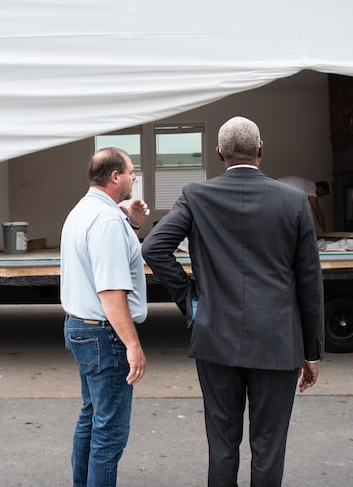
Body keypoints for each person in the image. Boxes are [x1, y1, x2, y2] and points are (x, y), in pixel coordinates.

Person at [141, 116, 324, 487]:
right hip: (278, 342)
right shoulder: (293, 201)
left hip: (216, 338)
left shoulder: (196, 195)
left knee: (222, 445)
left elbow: (153, 248)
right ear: (261, 150)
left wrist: (191, 299)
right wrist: (311, 351)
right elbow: (309, 281)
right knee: (269, 446)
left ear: (219, 152)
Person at [60, 146, 151, 487]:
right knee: (110, 432)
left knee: (92, 417)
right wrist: (132, 344)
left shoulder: (82, 211)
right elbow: (111, 292)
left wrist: (132, 225)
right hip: (104, 334)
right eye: (130, 172)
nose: (134, 177)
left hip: (80, 327)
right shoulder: (108, 221)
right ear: (115, 177)